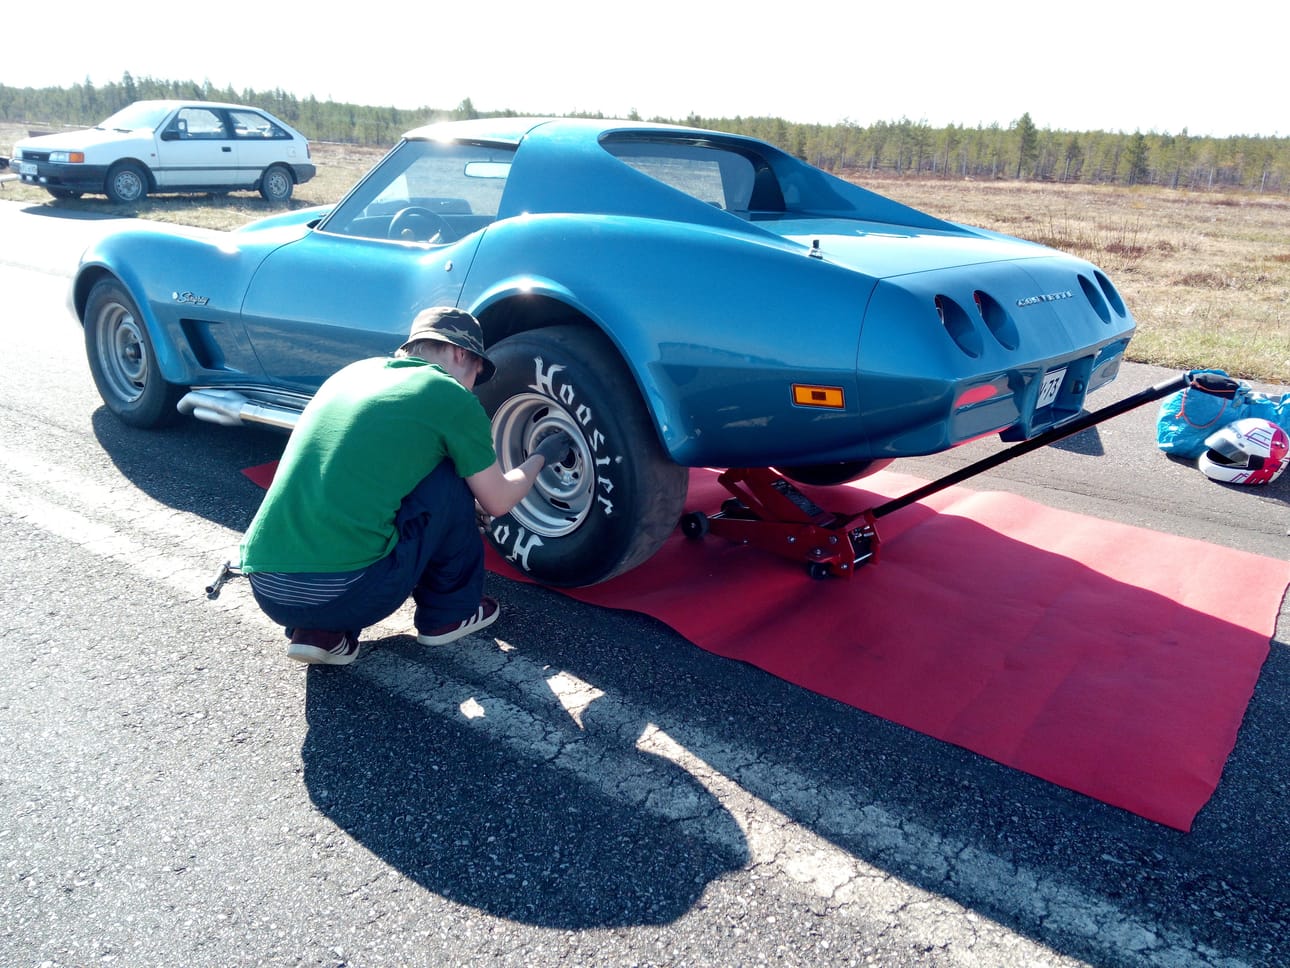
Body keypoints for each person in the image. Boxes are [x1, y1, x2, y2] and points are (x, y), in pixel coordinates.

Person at [239, 306, 572, 666]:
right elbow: (499, 501)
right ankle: (449, 614)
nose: (474, 384)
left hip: (267, 586)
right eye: (477, 373)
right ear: (462, 353)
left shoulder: (351, 374)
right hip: (346, 590)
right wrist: (541, 455)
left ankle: (321, 632)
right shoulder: (448, 394)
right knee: (452, 476)